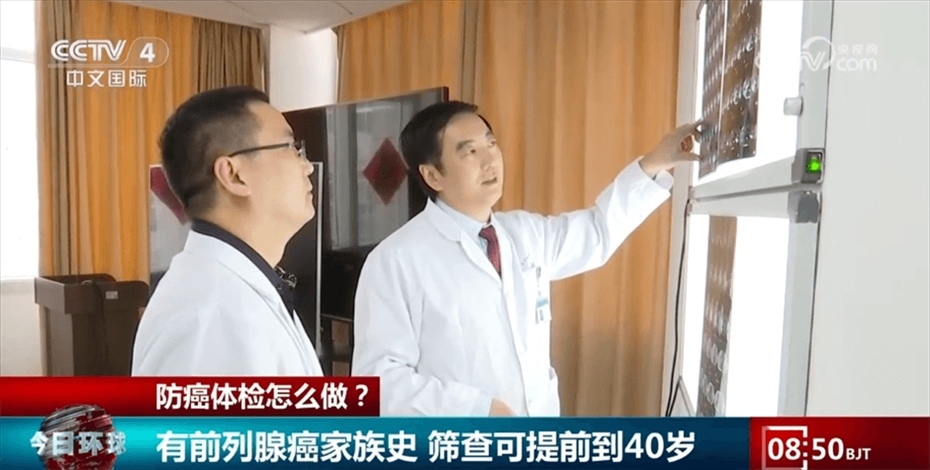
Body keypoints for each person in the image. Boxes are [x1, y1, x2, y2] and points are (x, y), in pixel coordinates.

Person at [351, 100, 700, 416]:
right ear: (433, 175)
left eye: (491, 144)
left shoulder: (523, 233)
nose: (490, 160)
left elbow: (597, 232)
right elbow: (378, 383)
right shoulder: (396, 261)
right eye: (470, 151)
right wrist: (476, 410)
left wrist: (656, 161)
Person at [131, 86, 323, 376]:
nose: (307, 166)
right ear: (234, 175)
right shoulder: (207, 316)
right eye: (290, 147)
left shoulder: (234, 291)